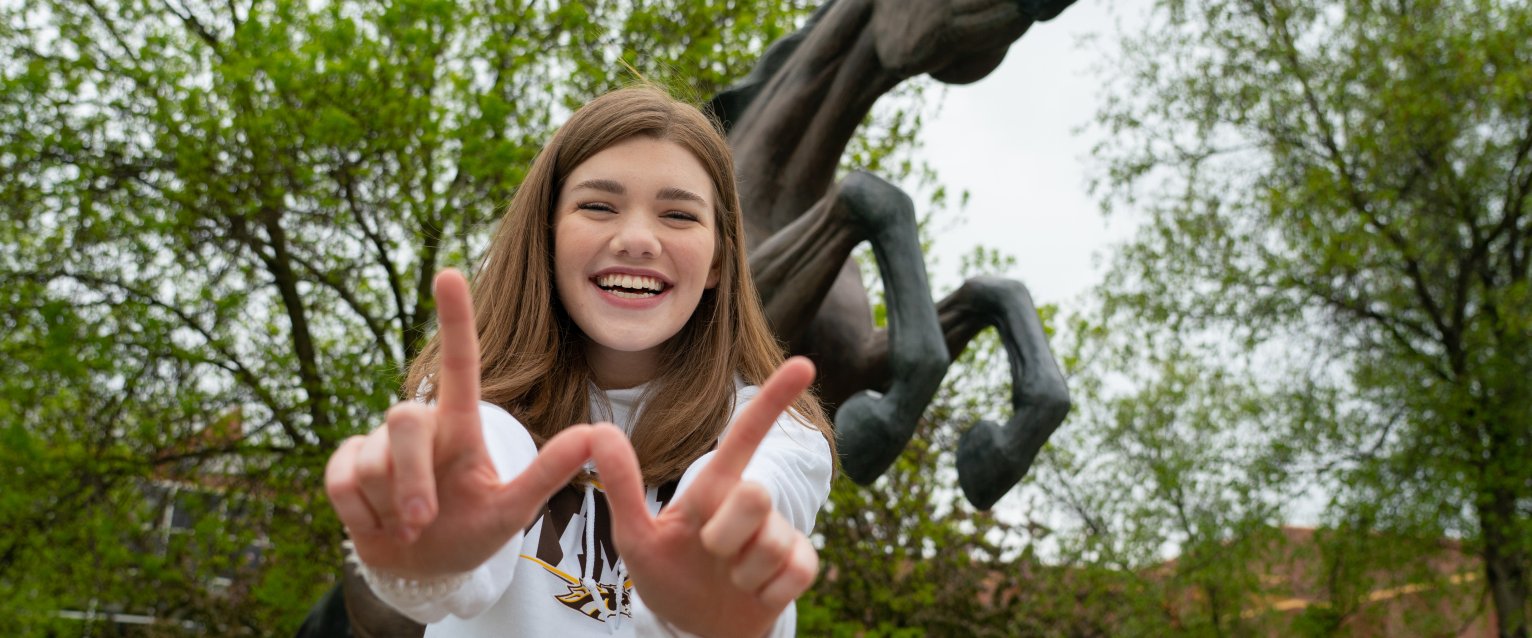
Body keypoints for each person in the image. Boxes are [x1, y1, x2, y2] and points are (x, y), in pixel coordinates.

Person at [322, 85, 836, 637]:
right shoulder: (470, 415)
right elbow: (483, 478)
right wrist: (428, 560)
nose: (638, 239)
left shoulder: (778, 434)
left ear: (717, 261)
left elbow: (753, 489)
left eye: (679, 215)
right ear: (547, 238)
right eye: (597, 206)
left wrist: (714, 601)